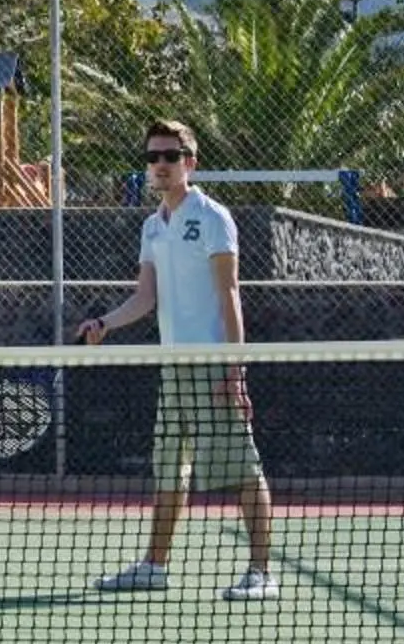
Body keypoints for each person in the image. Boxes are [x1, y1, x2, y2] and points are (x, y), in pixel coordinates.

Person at [75, 119, 279, 601]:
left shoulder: (212, 217)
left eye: (170, 156)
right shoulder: (152, 227)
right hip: (173, 369)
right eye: (153, 157)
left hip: (212, 366)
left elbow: (230, 295)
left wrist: (235, 370)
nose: (161, 165)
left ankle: (261, 573)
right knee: (169, 469)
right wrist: (104, 323)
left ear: (191, 162)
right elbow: (145, 298)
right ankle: (154, 565)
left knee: (242, 469)